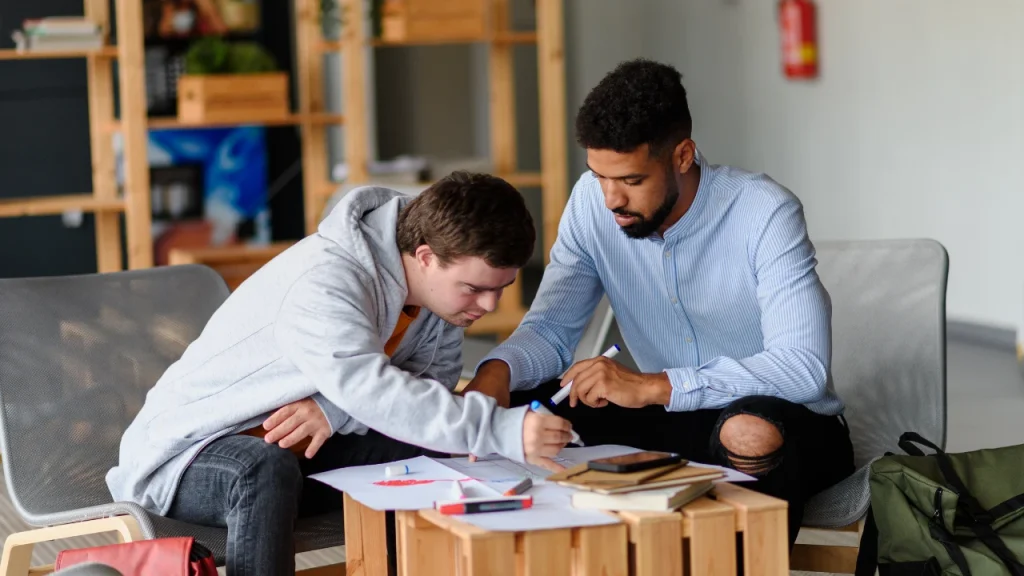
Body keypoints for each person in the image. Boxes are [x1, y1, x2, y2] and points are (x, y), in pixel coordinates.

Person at [464, 59, 855, 547]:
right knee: (519, 408)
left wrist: (654, 386)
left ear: (683, 156)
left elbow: (802, 369)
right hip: (669, 420)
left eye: (630, 180)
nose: (611, 200)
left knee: (748, 431)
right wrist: (492, 376)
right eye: (599, 176)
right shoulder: (591, 203)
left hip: (787, 423)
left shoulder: (764, 211)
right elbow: (549, 330)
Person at [107, 172, 573, 576]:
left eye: (502, 289)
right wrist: (501, 429)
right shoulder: (328, 279)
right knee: (260, 466)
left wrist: (333, 411)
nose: (489, 306)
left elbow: (420, 398)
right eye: (475, 288)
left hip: (301, 450)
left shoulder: (441, 304)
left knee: (438, 445)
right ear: (427, 256)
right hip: (191, 456)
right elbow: (371, 389)